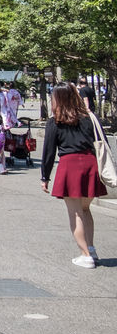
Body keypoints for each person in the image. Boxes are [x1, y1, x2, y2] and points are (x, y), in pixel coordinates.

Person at [40, 83, 106, 268]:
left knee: (75, 212)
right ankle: (91, 248)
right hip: (91, 164)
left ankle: (85, 255)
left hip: (70, 166)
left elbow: (49, 152)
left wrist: (45, 176)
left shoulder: (56, 121)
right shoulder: (89, 118)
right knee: (85, 209)